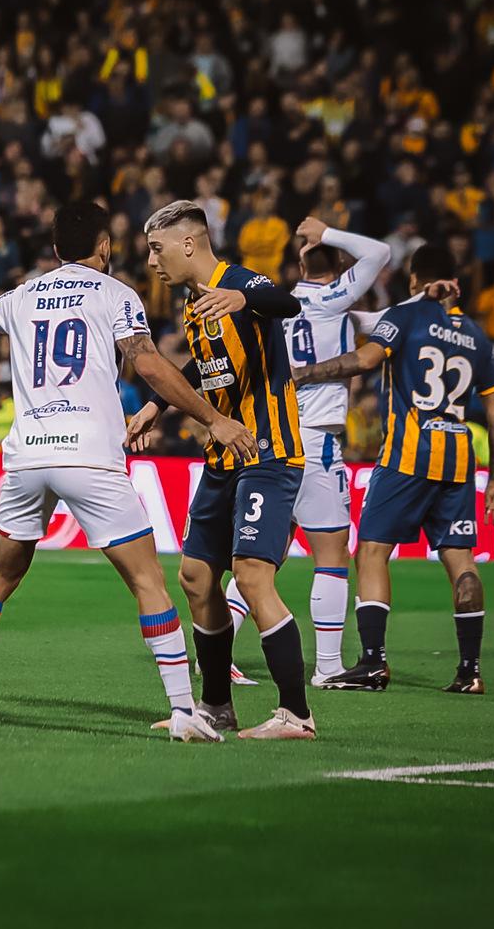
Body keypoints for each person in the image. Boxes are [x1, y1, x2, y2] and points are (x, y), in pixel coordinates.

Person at [0, 201, 256, 742]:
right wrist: (213, 420)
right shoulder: (116, 295)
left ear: (57, 249)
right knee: (148, 581)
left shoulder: (23, 295)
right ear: (104, 247)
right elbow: (149, 363)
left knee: (0, 573)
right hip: (90, 458)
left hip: (29, 456)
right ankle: (184, 712)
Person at [128, 199, 315, 740]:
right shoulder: (194, 304)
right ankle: (215, 707)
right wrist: (155, 405)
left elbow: (285, 302)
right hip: (222, 457)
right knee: (195, 576)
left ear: (189, 243)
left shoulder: (238, 283)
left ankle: (296, 715)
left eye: (157, 250)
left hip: (267, 452)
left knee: (253, 576)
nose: (153, 262)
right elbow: (198, 362)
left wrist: (243, 294)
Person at [291, 244, 494, 695]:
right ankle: (470, 671)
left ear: (414, 280)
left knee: (370, 551)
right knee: (461, 562)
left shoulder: (407, 317)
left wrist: (307, 374)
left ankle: (373, 662)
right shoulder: (476, 335)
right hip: (459, 460)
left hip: (408, 454)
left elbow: (366, 360)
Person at [222, 214, 390, 687]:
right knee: (332, 550)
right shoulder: (333, 297)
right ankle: (330, 667)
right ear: (338, 268)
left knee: (261, 556)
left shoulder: (274, 303)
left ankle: (218, 654)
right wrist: (330, 232)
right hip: (314, 437)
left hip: (271, 435)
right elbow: (380, 252)